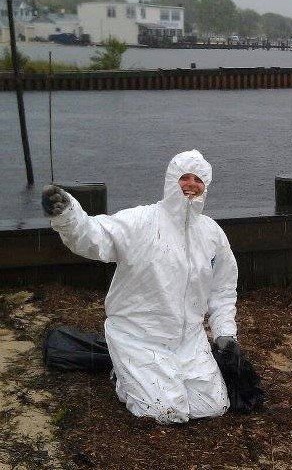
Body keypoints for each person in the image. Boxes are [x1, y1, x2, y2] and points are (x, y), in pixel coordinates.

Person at [42, 150, 239, 424]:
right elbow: (95, 237)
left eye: (198, 180)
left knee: (211, 406)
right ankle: (124, 375)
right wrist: (68, 215)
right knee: (165, 412)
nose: (191, 184)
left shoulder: (212, 234)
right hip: (137, 335)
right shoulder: (140, 221)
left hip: (189, 340)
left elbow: (223, 290)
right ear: (172, 180)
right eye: (184, 177)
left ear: (206, 186)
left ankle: (144, 373)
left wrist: (225, 333)